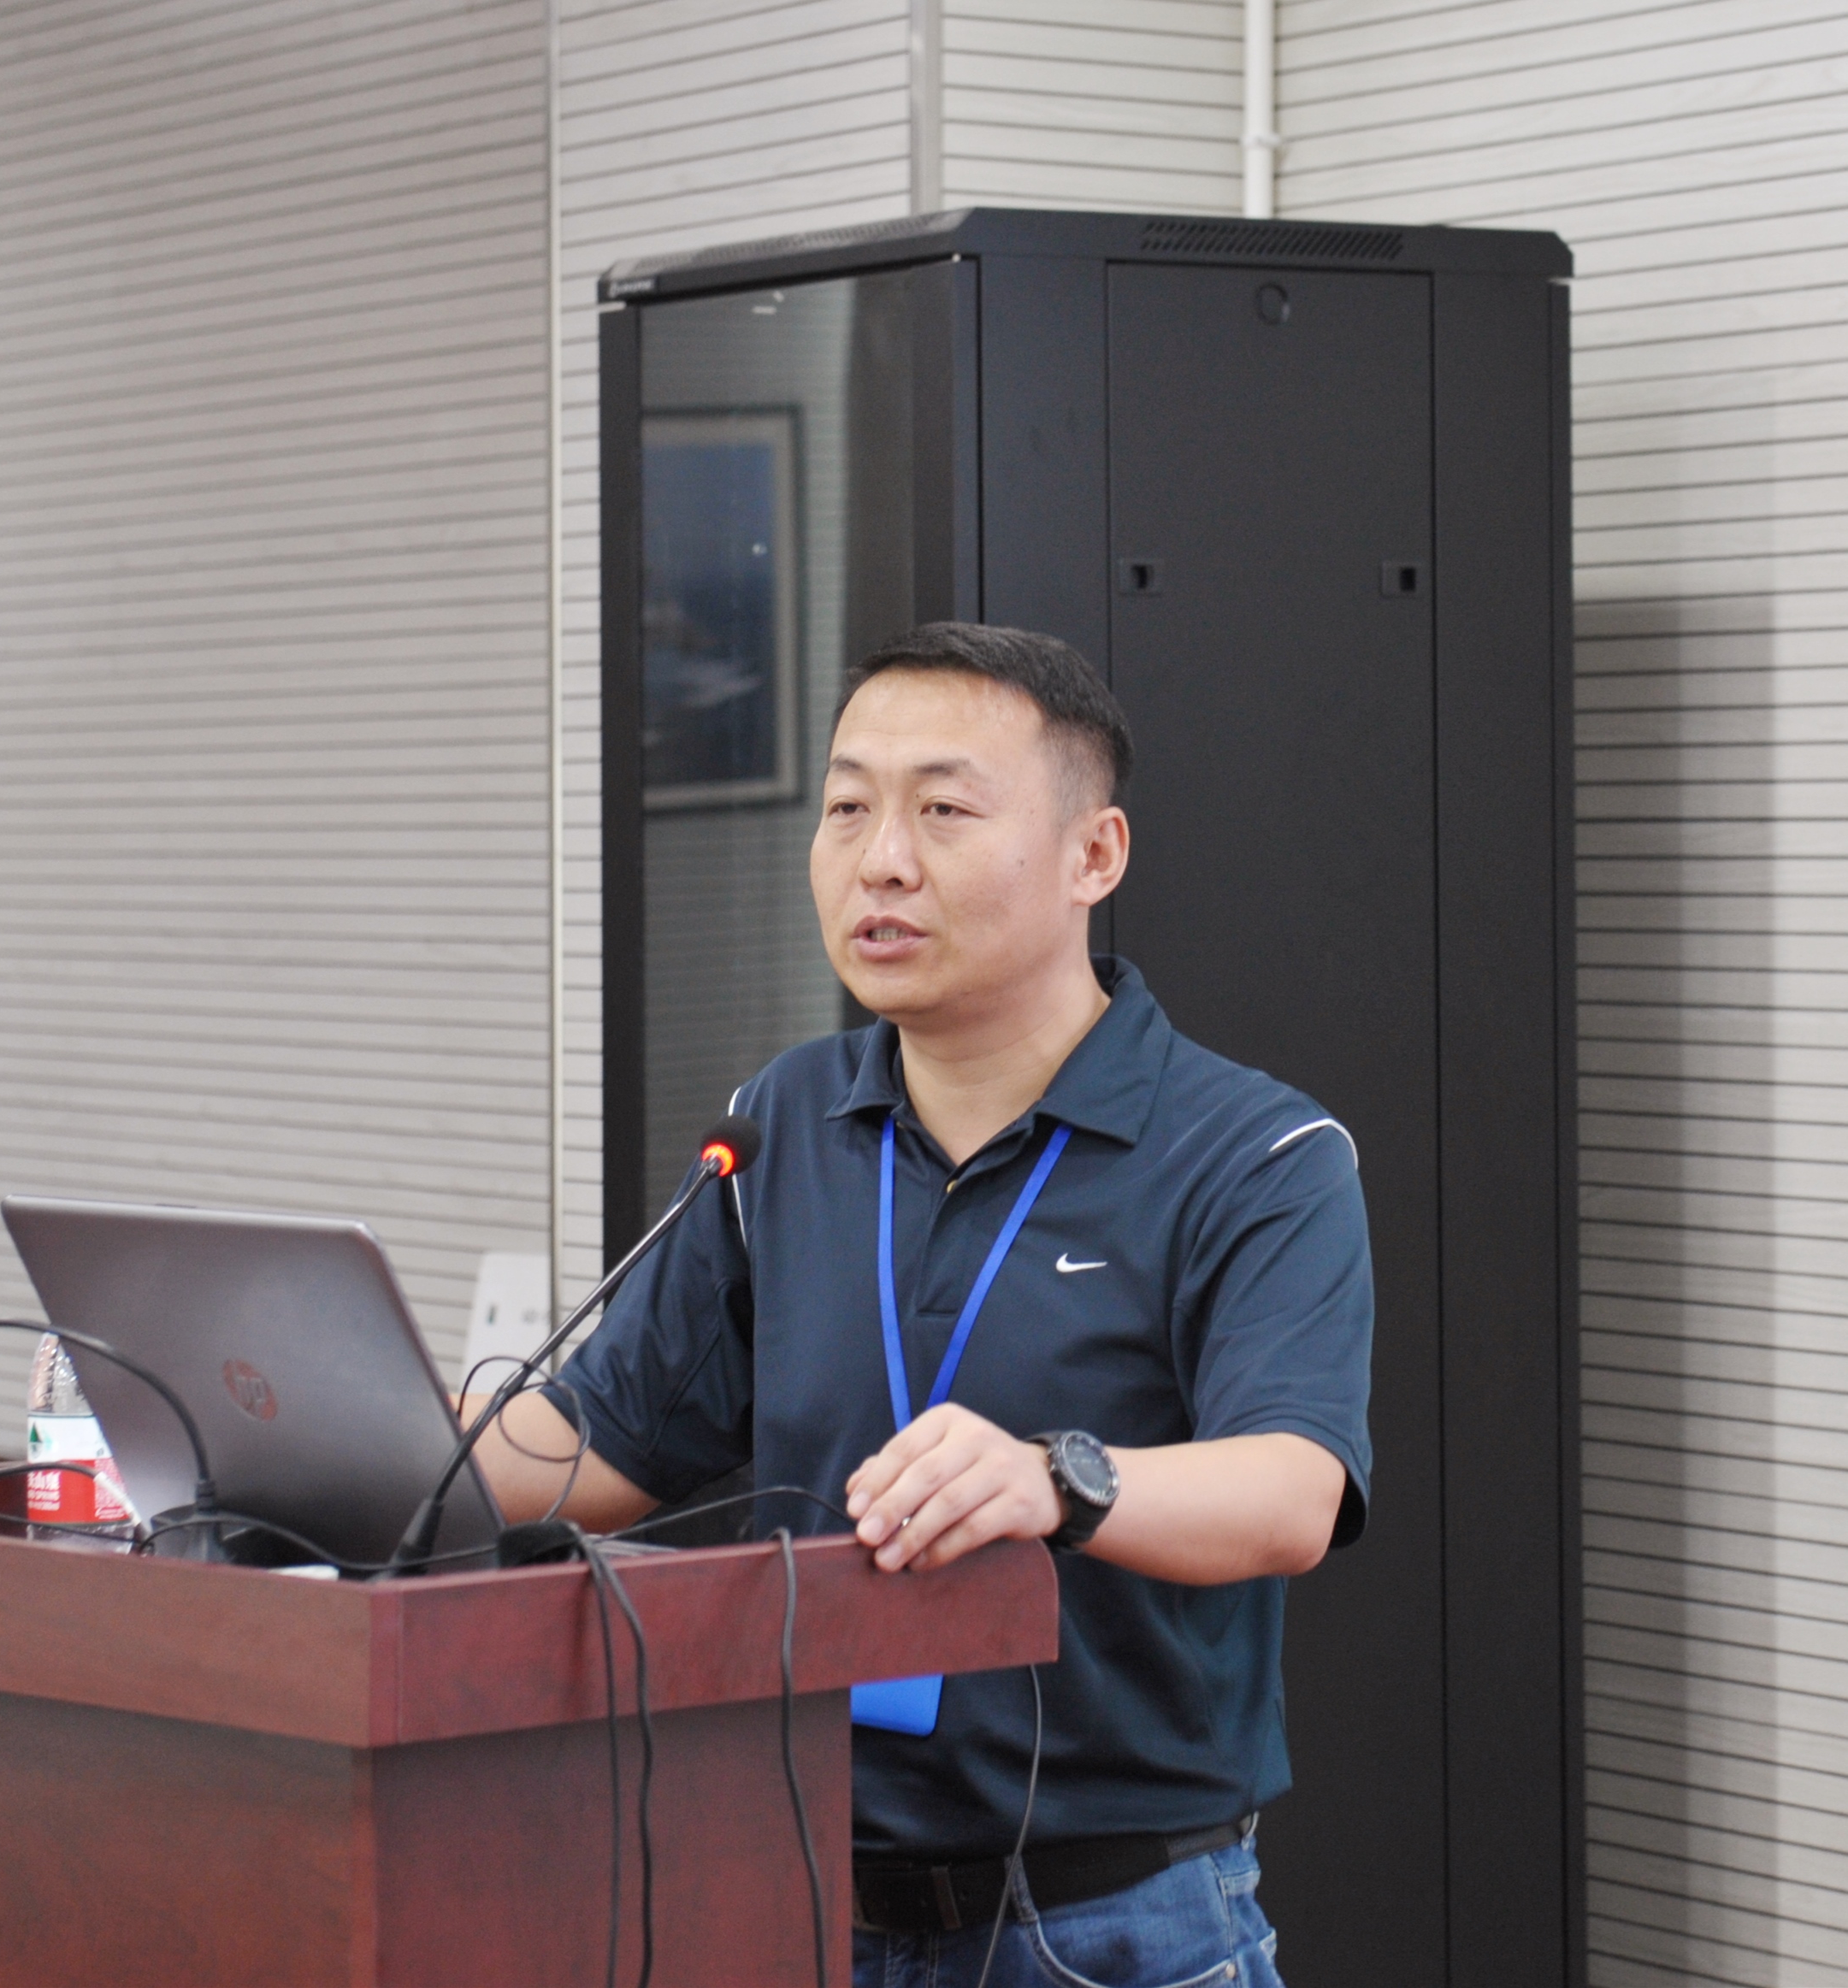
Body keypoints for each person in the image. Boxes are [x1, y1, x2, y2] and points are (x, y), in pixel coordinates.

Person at [475, 622, 1372, 1988]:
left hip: (1107, 1924)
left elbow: (1293, 1490)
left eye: (943, 811)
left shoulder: (1256, 1153)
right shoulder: (780, 1121)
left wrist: (1056, 1479)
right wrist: (368, 1441)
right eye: (847, 808)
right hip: (793, 1891)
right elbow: (602, 1444)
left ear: (1094, 856)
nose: (881, 859)